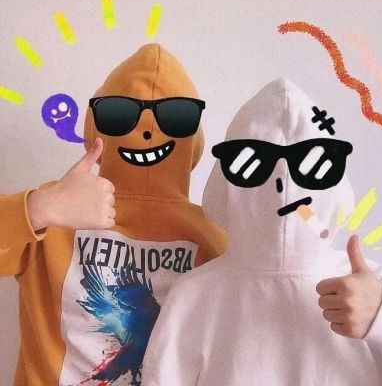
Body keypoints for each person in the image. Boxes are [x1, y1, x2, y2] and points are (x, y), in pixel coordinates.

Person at [141, 78, 382, 386]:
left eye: (313, 163)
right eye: (252, 162)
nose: (283, 180)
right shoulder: (193, 296)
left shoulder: (373, 290)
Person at [0, 43, 226, 386]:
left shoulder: (214, 235)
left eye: (176, 116)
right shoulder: (55, 215)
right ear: (94, 125)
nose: (147, 130)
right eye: (119, 113)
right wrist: (40, 207)